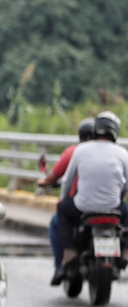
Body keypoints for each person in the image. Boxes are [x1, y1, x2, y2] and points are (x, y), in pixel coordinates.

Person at [55, 110, 128, 271]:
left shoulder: (81, 150)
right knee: (126, 214)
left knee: (62, 209)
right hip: (113, 206)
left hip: (83, 206)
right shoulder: (123, 153)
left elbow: (67, 180)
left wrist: (64, 197)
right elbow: (126, 184)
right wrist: (119, 197)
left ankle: (69, 252)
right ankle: (125, 250)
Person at [38, 117, 94, 285]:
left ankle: (61, 264)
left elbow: (57, 178)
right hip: (110, 206)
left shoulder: (75, 152)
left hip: (80, 206)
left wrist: (45, 182)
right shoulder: (114, 152)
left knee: (57, 221)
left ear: (80, 136)